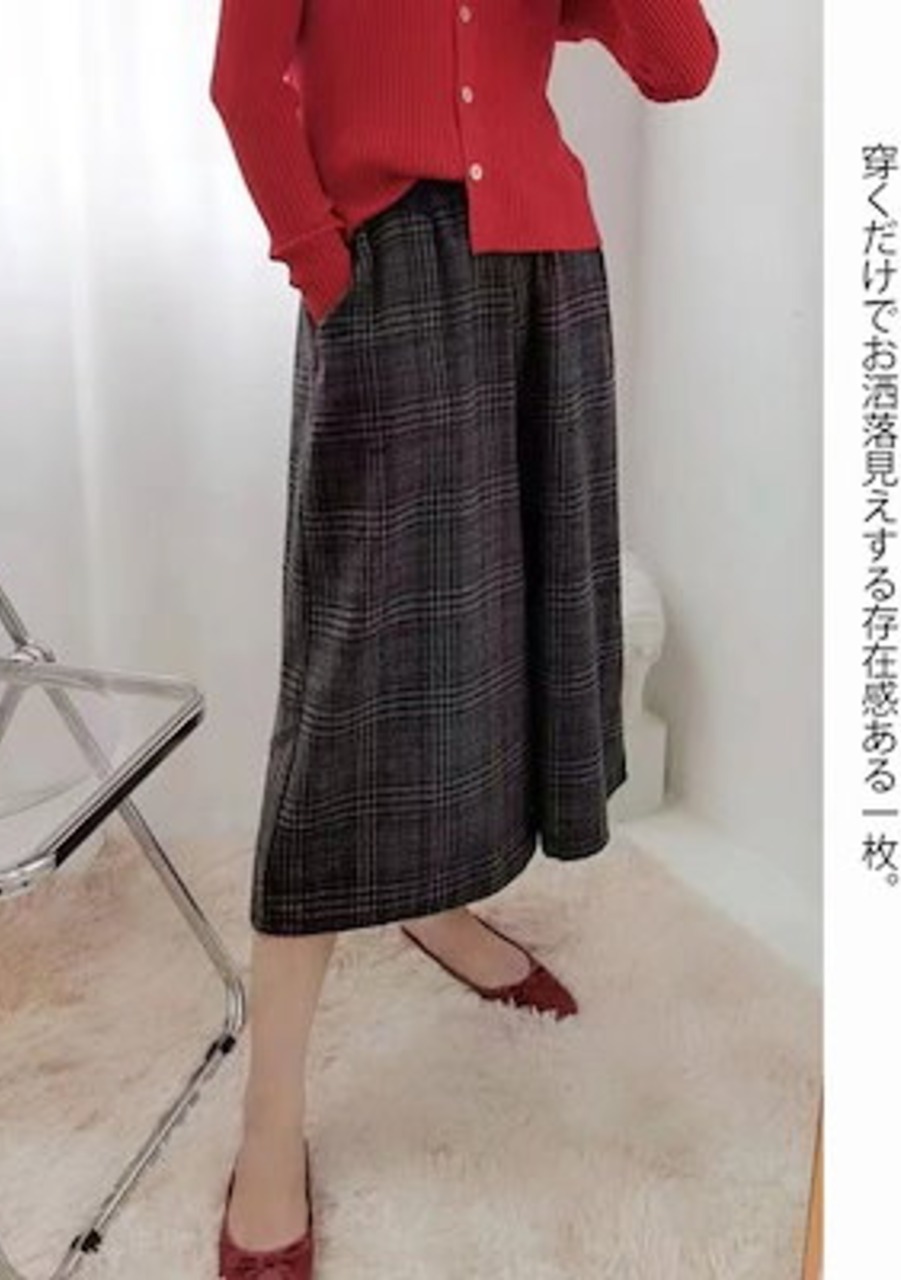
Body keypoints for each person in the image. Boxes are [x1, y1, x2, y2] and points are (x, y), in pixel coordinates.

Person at [208, 2, 719, 1275]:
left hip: (547, 269)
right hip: (387, 272)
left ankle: (435, 901)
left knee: (496, 639)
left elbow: (680, 64)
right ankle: (270, 1117)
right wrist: (320, 260)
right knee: (350, 680)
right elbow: (242, 83)